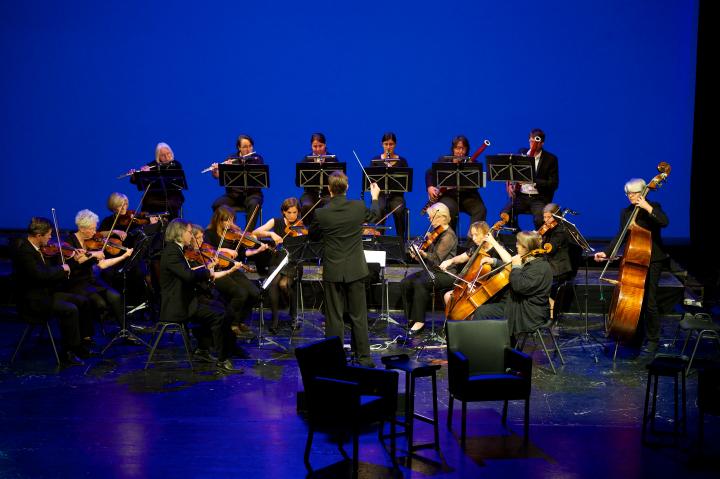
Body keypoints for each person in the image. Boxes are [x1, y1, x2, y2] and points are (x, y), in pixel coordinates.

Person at [309, 171, 381, 367]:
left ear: (329, 189)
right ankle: (364, 358)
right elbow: (374, 216)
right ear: (347, 188)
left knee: (334, 317)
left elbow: (313, 236)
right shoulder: (358, 207)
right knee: (359, 315)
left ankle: (333, 360)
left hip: (333, 270)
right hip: (356, 269)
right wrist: (374, 197)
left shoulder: (321, 212)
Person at [594, 178, 669, 353]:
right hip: (634, 259)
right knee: (635, 301)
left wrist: (647, 207)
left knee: (649, 301)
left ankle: (653, 339)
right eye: (628, 193)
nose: (630, 196)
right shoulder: (626, 212)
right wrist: (607, 252)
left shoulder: (653, 206)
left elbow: (664, 222)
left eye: (634, 193)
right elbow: (621, 235)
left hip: (653, 259)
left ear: (643, 192)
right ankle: (635, 333)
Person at [160, 218, 241, 372]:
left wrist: (205, 269)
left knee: (222, 306)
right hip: (178, 306)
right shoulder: (171, 252)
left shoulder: (176, 250)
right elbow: (188, 276)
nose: (192, 236)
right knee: (219, 315)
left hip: (185, 299)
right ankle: (222, 359)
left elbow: (187, 273)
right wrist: (207, 272)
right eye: (190, 233)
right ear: (180, 233)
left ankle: (204, 349)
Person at [11, 217, 93, 365]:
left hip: (46, 295)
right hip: (33, 301)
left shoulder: (41, 249)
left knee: (83, 300)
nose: (51, 237)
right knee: (70, 309)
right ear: (38, 236)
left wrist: (73, 259)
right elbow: (41, 275)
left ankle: (82, 343)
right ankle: (69, 352)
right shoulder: (25, 252)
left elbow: (56, 268)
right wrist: (62, 268)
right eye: (48, 234)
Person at [62, 210, 134, 339]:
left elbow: (102, 264)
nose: (95, 232)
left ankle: (125, 331)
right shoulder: (69, 242)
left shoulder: (92, 242)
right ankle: (86, 336)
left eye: (95, 228)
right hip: (76, 282)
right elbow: (79, 261)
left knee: (115, 296)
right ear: (82, 228)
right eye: (91, 229)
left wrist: (123, 256)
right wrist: (94, 254)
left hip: (91, 280)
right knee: (99, 303)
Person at [473, 231, 553, 338]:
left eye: (518, 244)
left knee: (482, 312)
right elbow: (517, 269)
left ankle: (482, 344)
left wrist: (516, 267)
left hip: (528, 313)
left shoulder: (540, 268)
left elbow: (519, 286)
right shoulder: (534, 262)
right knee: (487, 304)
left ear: (526, 247)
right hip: (520, 305)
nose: (516, 245)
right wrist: (494, 261)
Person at [204, 205, 267, 336]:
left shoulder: (234, 234)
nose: (230, 224)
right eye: (226, 220)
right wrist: (226, 250)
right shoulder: (209, 234)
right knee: (241, 293)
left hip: (232, 268)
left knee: (254, 293)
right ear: (218, 220)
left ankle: (240, 320)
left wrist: (258, 250)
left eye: (232, 220)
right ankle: (231, 324)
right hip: (217, 272)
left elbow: (243, 253)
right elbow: (207, 251)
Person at [400, 202, 458, 333]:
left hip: (446, 274)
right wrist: (417, 255)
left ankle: (419, 321)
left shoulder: (448, 235)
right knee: (405, 283)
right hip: (433, 271)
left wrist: (424, 254)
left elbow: (437, 259)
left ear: (442, 217)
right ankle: (411, 318)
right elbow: (429, 260)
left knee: (421, 283)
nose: (430, 219)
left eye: (432, 217)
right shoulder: (436, 232)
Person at [252, 197, 305, 333]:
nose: (292, 215)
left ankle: (293, 315)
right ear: (283, 212)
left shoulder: (300, 225)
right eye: (289, 213)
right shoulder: (276, 221)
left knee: (284, 284)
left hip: (293, 262)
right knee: (274, 283)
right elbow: (255, 232)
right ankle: (275, 318)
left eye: (295, 212)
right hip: (277, 260)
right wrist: (271, 233)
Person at [425, 135, 487, 231]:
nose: (460, 151)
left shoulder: (473, 163)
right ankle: (451, 242)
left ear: (467, 149)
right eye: (458, 148)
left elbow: (477, 184)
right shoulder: (444, 160)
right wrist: (430, 187)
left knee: (480, 210)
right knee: (449, 210)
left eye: (463, 148)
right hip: (449, 196)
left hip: (468, 196)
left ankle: (472, 243)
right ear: (453, 149)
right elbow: (429, 173)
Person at [502, 128, 559, 229]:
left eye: (536, 141)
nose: (533, 144)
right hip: (521, 196)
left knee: (539, 220)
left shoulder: (550, 159)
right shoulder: (522, 153)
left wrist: (532, 180)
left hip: (538, 198)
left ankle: (540, 241)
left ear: (542, 143)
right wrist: (510, 184)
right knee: (505, 215)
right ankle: (520, 237)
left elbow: (553, 184)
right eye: (531, 141)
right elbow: (511, 172)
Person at [210, 134, 265, 231]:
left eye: (250, 146)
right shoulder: (231, 159)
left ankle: (248, 235)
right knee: (217, 204)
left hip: (252, 194)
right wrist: (215, 171)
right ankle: (226, 231)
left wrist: (243, 163)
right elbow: (218, 176)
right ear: (239, 147)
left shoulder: (257, 159)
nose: (248, 149)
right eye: (245, 147)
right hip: (234, 195)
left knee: (254, 204)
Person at [440, 221, 500, 306]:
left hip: (488, 288)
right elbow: (461, 258)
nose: (474, 238)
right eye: (472, 235)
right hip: (473, 285)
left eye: (476, 235)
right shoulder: (476, 247)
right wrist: (450, 261)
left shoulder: (497, 249)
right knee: (448, 296)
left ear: (486, 234)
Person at [367, 132, 408, 240]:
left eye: (391, 144)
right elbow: (371, 182)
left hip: (396, 196)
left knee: (399, 210)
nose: (388, 147)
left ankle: (400, 241)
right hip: (380, 195)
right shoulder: (375, 161)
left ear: (395, 144)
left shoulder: (402, 161)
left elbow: (405, 184)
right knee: (379, 209)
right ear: (382, 144)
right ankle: (379, 240)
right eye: (386, 144)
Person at [127, 142, 185, 219]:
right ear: (158, 157)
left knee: (167, 204)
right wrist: (135, 175)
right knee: (147, 201)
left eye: (168, 153)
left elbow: (170, 178)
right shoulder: (153, 165)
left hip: (172, 199)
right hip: (154, 201)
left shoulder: (176, 164)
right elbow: (138, 181)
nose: (167, 157)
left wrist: (151, 174)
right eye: (163, 155)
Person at [539, 203, 574, 318]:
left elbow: (551, 247)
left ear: (557, 216)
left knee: (539, 280)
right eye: (544, 217)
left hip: (558, 268)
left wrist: (540, 243)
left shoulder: (561, 230)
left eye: (549, 217)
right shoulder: (548, 229)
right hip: (550, 263)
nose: (546, 220)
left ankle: (550, 312)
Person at [299, 132, 339, 219]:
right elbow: (298, 182)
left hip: (328, 194)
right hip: (310, 194)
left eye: (320, 146)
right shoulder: (306, 160)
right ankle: (308, 230)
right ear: (311, 146)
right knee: (307, 206)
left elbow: (339, 180)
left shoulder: (332, 159)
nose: (317, 149)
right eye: (315, 146)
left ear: (325, 145)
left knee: (330, 206)